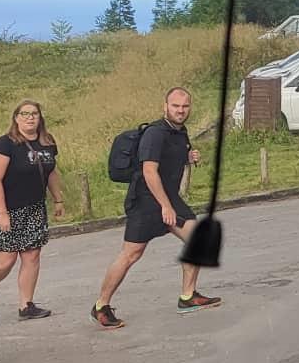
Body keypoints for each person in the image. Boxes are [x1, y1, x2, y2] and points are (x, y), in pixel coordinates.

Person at [90, 87, 220, 329]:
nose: (181, 110)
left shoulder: (180, 133)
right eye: (176, 106)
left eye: (185, 106)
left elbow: (168, 162)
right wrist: (165, 207)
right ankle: (101, 306)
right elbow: (149, 172)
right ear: (165, 107)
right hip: (146, 200)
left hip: (168, 197)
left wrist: (187, 157)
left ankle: (188, 296)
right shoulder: (155, 133)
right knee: (131, 254)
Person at [0, 99, 65, 322]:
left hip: (33, 207)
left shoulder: (47, 142)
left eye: (34, 113)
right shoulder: (5, 144)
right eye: (24, 114)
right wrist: (3, 214)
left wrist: (58, 199)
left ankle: (26, 305)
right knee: (6, 260)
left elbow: (51, 172)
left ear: (40, 117)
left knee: (32, 255)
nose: (30, 117)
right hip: (6, 209)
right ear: (16, 118)